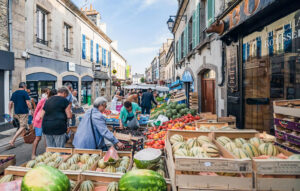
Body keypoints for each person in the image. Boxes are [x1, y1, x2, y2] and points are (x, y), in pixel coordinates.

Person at [31, 89, 57, 159]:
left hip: (47, 121)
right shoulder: (43, 100)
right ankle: (33, 154)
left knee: (47, 138)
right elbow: (36, 109)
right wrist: (33, 121)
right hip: (39, 121)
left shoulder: (54, 102)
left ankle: (47, 154)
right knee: (38, 138)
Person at [8, 82, 33, 147]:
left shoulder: (14, 93)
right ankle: (12, 140)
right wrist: (31, 110)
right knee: (23, 126)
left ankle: (25, 138)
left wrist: (9, 113)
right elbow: (28, 103)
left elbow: (10, 103)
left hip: (16, 112)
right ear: (24, 86)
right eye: (26, 87)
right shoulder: (25, 93)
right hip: (23, 112)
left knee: (22, 125)